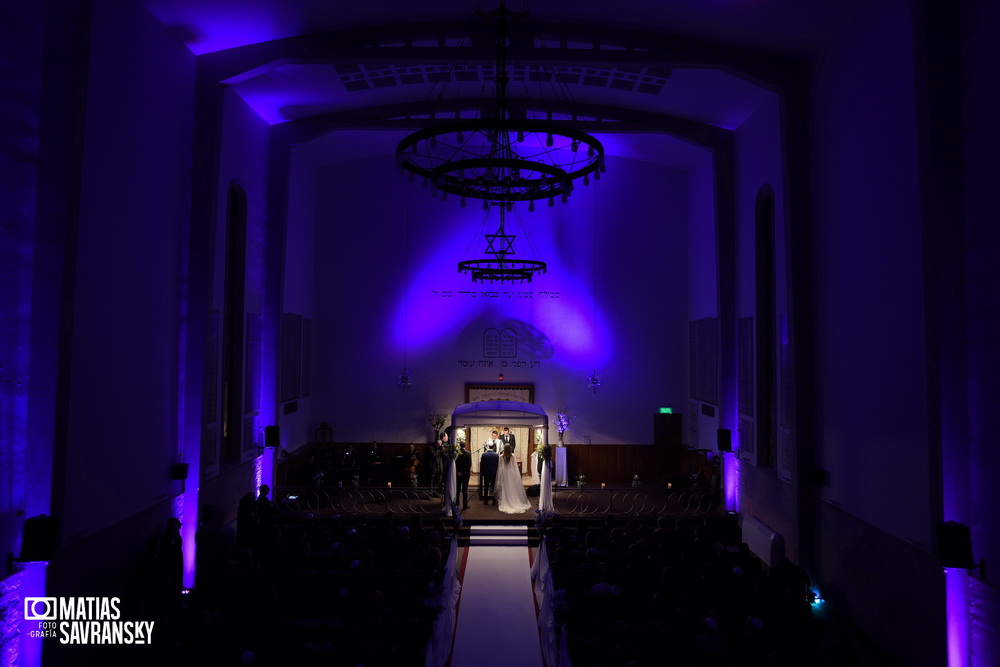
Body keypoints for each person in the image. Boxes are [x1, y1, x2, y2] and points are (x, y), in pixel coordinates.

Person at [495, 442, 532, 514]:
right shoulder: (513, 456)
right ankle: (514, 499)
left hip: (505, 473)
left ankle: (506, 501)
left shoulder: (501, 456)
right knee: (512, 487)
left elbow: (500, 468)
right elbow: (515, 467)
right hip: (511, 473)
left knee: (506, 487)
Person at [454, 439, 472, 510]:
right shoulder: (468, 453)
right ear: (465, 445)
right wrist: (464, 472)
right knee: (465, 489)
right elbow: (469, 464)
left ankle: (457, 503)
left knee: (457, 489)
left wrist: (458, 471)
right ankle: (465, 505)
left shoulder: (457, 453)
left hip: (458, 473)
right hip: (465, 474)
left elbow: (455, 463)